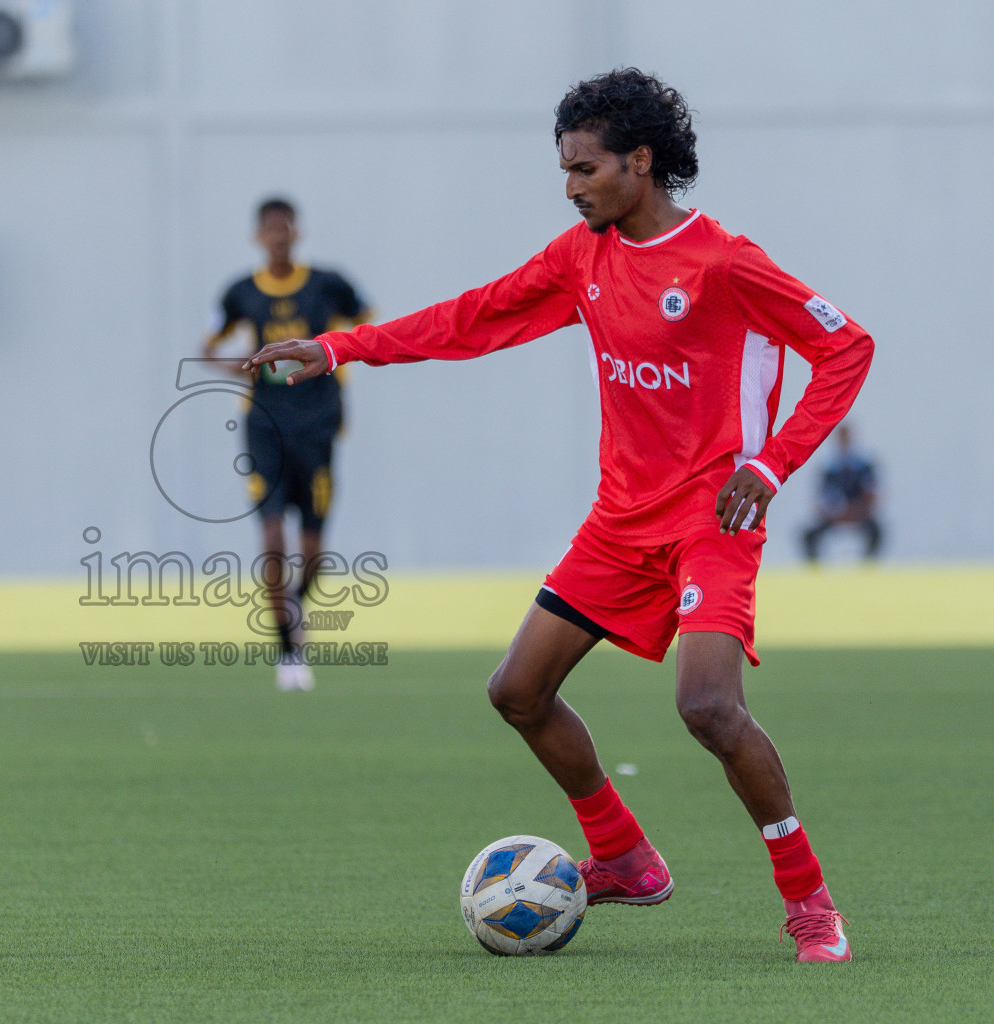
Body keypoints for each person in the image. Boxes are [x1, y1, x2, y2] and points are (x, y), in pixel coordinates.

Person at [246, 69, 873, 961]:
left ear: (640, 163)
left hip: (711, 522)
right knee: (517, 692)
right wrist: (338, 347)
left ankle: (810, 902)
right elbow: (474, 318)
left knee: (708, 709)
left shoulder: (724, 262)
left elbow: (847, 346)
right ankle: (624, 854)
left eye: (584, 169)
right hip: (619, 522)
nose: (570, 186)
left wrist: (770, 467)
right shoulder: (582, 258)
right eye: (566, 170)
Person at [204, 197, 371, 690]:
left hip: (318, 425)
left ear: (297, 232)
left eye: (285, 228)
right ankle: (289, 652)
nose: (278, 237)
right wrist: (237, 366)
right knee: (273, 539)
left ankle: (294, 602)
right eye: (269, 230)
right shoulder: (240, 293)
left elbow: (368, 323)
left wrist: (340, 352)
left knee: (314, 550)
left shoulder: (326, 285)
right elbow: (209, 344)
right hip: (265, 428)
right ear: (258, 236)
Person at [802, 425, 882, 561]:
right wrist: (834, 513)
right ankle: (815, 568)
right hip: (835, 515)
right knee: (809, 535)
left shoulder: (863, 466)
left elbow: (872, 494)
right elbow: (822, 497)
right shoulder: (829, 468)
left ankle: (868, 565)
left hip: (859, 513)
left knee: (876, 532)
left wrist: (856, 511)